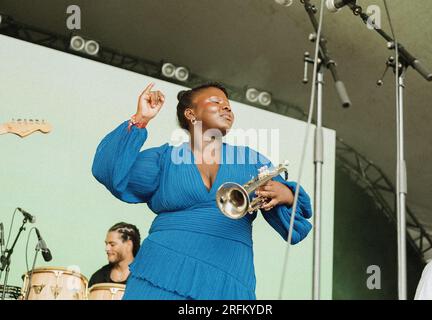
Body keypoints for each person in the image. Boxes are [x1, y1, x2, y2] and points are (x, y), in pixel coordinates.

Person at [92, 82, 313, 300]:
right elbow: (108, 171)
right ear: (191, 114)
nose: (227, 108)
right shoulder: (164, 159)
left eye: (229, 105)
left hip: (228, 272)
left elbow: (294, 227)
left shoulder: (251, 160)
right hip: (161, 268)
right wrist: (141, 119)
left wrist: (288, 195)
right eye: (216, 101)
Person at [88, 222, 141, 288]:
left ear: (128, 245)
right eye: (106, 244)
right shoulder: (98, 278)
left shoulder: (144, 278)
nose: (107, 249)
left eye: (112, 244)